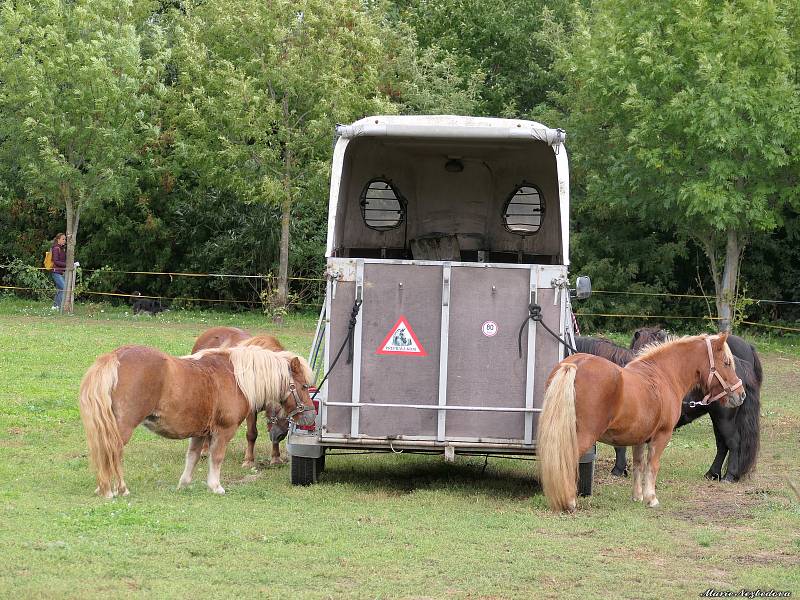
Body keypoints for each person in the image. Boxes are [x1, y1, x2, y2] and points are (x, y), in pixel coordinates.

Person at [50, 233, 66, 310]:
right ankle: (59, 306)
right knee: (64, 288)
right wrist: (67, 265)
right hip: (56, 272)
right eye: (63, 239)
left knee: (59, 290)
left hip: (60, 272)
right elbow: (56, 261)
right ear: (58, 239)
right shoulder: (56, 248)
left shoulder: (61, 248)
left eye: (65, 239)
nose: (64, 241)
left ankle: (55, 306)